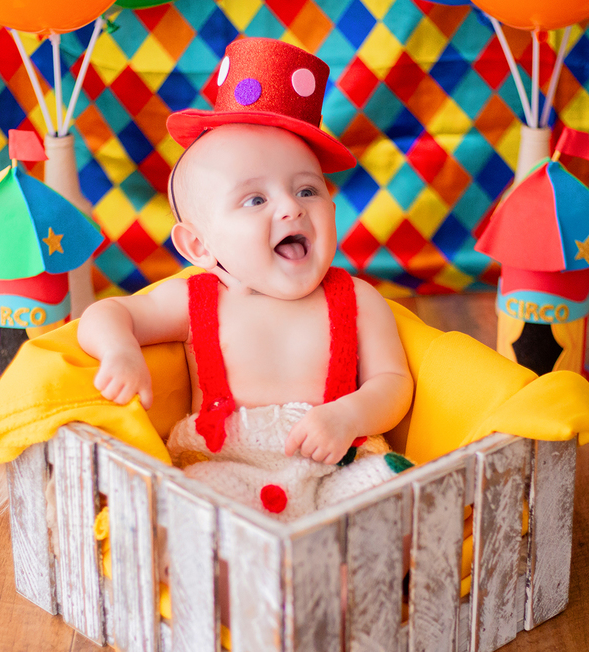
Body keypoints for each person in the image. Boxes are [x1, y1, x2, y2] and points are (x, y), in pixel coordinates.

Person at [76, 37, 415, 518]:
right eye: (255, 200)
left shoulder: (357, 299)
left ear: (332, 208)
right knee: (186, 504)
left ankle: (342, 579)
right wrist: (120, 350)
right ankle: (243, 582)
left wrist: (348, 415)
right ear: (200, 246)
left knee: (395, 486)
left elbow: (393, 382)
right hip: (226, 469)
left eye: (306, 189)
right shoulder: (200, 301)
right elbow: (107, 312)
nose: (291, 206)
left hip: (336, 464)